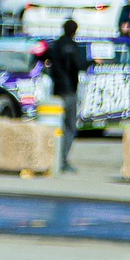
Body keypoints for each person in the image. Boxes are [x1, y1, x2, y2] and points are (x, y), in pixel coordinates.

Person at [44, 17, 85, 168]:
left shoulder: (55, 45)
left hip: (57, 89)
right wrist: (93, 61)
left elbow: (43, 57)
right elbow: (78, 65)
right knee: (69, 126)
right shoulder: (72, 47)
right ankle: (62, 160)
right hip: (69, 90)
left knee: (56, 125)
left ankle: (52, 157)